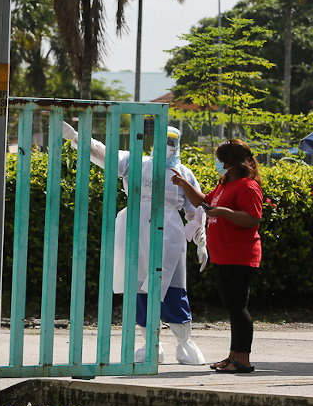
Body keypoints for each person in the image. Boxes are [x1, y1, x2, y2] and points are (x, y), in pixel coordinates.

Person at [61, 122, 207, 365]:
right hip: (135, 232)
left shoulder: (184, 174)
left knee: (172, 287)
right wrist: (79, 138)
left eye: (171, 143)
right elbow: (104, 154)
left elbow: (196, 211)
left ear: (178, 145)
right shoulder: (134, 163)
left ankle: (184, 344)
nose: (166, 147)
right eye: (163, 141)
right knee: (140, 288)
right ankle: (151, 345)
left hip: (170, 236)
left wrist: (201, 240)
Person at [172, 139, 262, 373]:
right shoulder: (224, 185)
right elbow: (203, 202)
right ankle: (233, 356)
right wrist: (183, 184)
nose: (217, 163)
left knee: (238, 308)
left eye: (220, 159)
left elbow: (253, 219)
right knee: (232, 307)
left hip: (239, 255)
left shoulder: (247, 186)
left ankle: (242, 359)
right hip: (222, 255)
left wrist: (224, 212)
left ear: (231, 162)